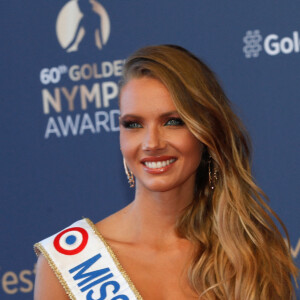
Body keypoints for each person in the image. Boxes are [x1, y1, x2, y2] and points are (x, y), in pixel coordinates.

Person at [34, 45, 298, 300]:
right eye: (133, 124)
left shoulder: (252, 254)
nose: (152, 143)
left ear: (205, 132)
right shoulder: (66, 264)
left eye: (173, 121)